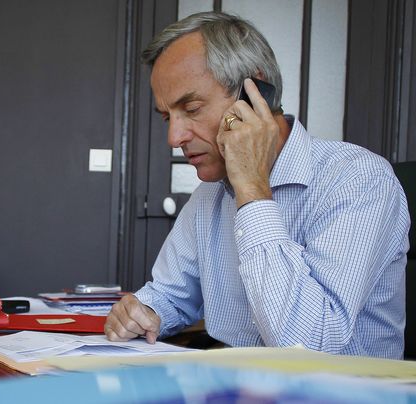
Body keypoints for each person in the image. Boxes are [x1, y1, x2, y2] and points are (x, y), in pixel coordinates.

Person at [104, 11, 410, 359]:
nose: (174, 137)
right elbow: (171, 294)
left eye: (191, 108)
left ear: (255, 95)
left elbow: (308, 347)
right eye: (166, 117)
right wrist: (144, 311)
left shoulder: (358, 180)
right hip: (237, 387)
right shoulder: (209, 197)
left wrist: (252, 188)